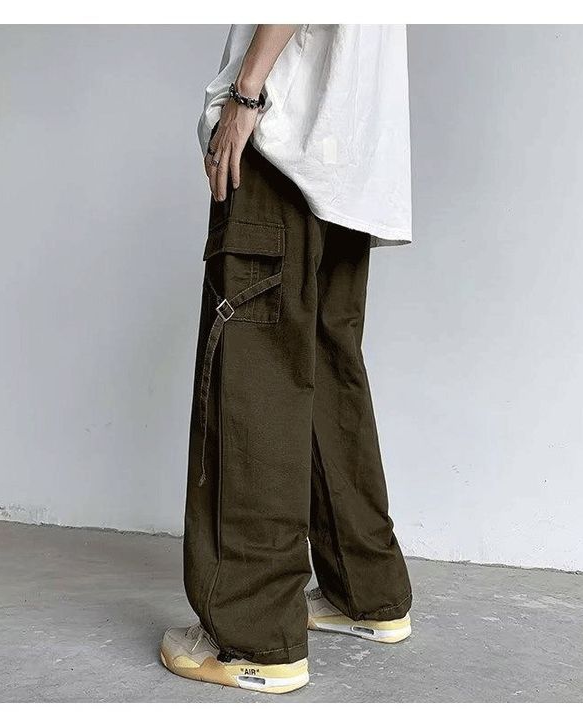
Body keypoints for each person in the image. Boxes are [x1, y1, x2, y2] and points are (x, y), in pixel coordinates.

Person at [160, 24, 413, 694]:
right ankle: (367, 594)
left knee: (255, 380)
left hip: (282, 141)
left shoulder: (265, 114)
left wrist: (246, 95)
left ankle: (255, 638)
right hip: (351, 155)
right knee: (328, 375)